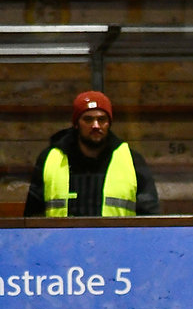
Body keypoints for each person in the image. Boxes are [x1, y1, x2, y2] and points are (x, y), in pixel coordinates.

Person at [25, 90, 159, 216]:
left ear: (109, 123)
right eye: (88, 119)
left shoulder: (132, 160)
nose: (96, 125)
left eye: (102, 119)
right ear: (76, 124)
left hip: (115, 240)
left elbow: (150, 216)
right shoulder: (50, 159)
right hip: (63, 240)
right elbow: (32, 216)